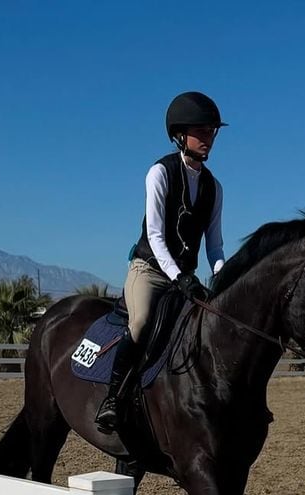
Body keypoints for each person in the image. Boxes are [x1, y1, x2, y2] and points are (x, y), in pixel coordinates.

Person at [95, 91, 227, 433]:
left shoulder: (215, 188)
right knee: (139, 324)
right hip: (149, 270)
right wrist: (178, 276)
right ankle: (113, 398)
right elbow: (155, 235)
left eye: (212, 131)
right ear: (180, 134)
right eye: (202, 131)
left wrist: (223, 276)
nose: (208, 138)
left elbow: (214, 245)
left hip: (186, 277)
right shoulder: (160, 173)